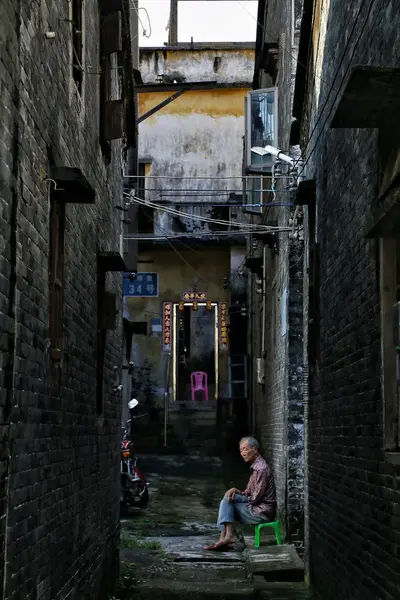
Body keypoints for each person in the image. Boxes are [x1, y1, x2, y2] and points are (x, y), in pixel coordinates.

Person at [204, 436, 276, 551]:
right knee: (228, 497)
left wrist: (238, 498)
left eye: (245, 449)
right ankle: (225, 537)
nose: (243, 453)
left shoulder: (261, 469)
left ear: (255, 449)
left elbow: (255, 499)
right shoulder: (255, 467)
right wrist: (236, 491)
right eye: (241, 450)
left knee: (228, 504)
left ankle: (226, 537)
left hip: (261, 512)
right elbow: (248, 493)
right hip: (254, 506)